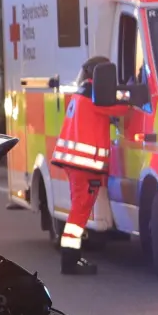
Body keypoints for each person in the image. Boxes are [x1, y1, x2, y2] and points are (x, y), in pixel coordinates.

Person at [51, 56, 129, 275]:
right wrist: (130, 91)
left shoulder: (83, 92)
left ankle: (72, 257)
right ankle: (70, 260)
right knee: (79, 212)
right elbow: (122, 110)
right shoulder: (96, 95)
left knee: (79, 210)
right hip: (84, 166)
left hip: (77, 164)